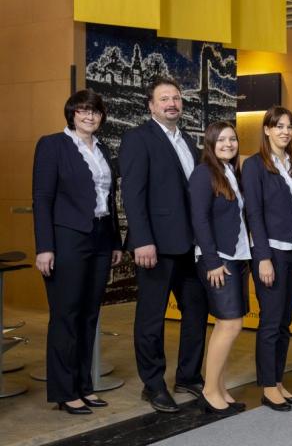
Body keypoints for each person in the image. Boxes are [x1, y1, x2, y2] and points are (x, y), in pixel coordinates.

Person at [120, 77, 209, 413]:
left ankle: (188, 375)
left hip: (190, 245)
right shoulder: (137, 139)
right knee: (151, 318)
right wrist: (142, 239)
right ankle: (153, 384)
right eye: (164, 99)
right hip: (155, 246)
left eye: (176, 98)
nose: (172, 103)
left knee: (196, 312)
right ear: (151, 105)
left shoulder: (188, 140)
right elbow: (133, 193)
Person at [32, 89, 123, 414]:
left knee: (89, 315)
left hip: (100, 237)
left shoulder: (103, 149)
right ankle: (64, 390)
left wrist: (114, 242)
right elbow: (42, 199)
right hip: (67, 237)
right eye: (83, 110)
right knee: (66, 316)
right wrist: (45, 247)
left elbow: (109, 201)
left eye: (95, 111)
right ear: (72, 113)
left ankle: (84, 385)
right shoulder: (52, 145)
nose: (90, 116)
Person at [242, 107, 292, 412]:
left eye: (289, 126)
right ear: (266, 129)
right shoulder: (254, 166)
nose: (284, 131)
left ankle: (278, 381)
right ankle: (268, 387)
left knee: (284, 323)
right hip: (271, 253)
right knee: (270, 322)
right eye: (278, 126)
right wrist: (263, 257)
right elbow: (253, 213)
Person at [187, 121, 249, 415]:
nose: (228, 144)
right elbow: (198, 219)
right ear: (210, 144)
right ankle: (210, 391)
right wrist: (212, 261)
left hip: (236, 257)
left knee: (228, 325)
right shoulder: (203, 174)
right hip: (218, 260)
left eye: (232, 139)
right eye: (221, 140)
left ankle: (220, 387)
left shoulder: (230, 173)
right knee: (230, 323)